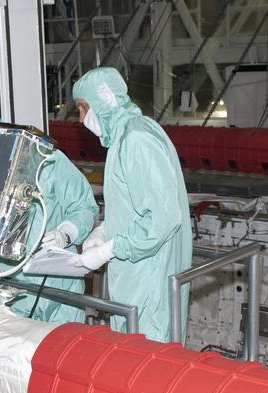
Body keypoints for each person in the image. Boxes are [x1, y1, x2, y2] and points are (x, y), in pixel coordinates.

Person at [72, 67, 191, 343]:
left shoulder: (136, 139)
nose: (80, 119)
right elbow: (134, 206)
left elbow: (162, 218)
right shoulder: (125, 138)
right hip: (136, 276)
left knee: (147, 359)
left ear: (103, 101)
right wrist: (104, 231)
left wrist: (112, 248)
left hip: (148, 277)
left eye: (82, 108)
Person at [0, 110, 98, 324]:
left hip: (60, 285)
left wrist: (67, 232)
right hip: (10, 291)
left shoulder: (46, 162)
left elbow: (83, 206)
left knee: (65, 349)